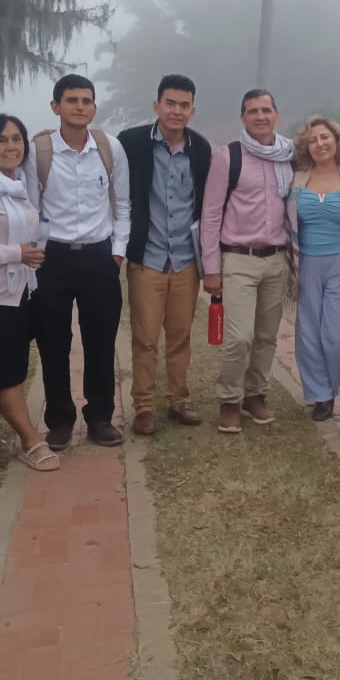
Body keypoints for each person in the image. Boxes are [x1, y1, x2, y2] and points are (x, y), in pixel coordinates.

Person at [23, 74, 131, 450]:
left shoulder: (109, 147)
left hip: (100, 256)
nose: (80, 107)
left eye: (86, 100)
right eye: (72, 100)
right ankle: (60, 420)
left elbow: (123, 203)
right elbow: (30, 207)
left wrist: (117, 251)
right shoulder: (39, 151)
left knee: (101, 339)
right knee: (53, 341)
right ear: (56, 106)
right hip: (52, 258)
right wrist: (34, 255)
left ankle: (100, 417)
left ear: (94, 107)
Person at [117, 75, 212, 436]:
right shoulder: (131, 142)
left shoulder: (200, 149)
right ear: (157, 105)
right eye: (170, 103)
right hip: (147, 257)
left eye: (184, 105)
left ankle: (178, 399)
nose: (176, 111)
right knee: (145, 337)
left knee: (180, 334)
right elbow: (100, 158)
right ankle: (143, 405)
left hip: (186, 259)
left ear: (193, 110)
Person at [0, 114, 59, 472]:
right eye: (2, 140)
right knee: (7, 375)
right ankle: (31, 441)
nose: (11, 146)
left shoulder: (15, 185)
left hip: (18, 292)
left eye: (17, 139)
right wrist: (15, 254)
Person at [200, 89, 295, 434]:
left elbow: (327, 170)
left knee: (267, 336)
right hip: (238, 259)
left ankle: (255, 394)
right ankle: (229, 399)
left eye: (266, 110)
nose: (260, 116)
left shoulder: (289, 156)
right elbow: (211, 214)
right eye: (252, 111)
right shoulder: (228, 157)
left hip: (276, 259)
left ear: (276, 114)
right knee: (239, 337)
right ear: (243, 117)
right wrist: (211, 268)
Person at [286, 116, 340, 421]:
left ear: (337, 141)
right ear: (306, 146)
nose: (319, 144)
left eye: (325, 137)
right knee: (308, 334)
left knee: (338, 334)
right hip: (305, 264)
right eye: (313, 140)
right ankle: (321, 396)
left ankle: (333, 383)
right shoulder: (296, 178)